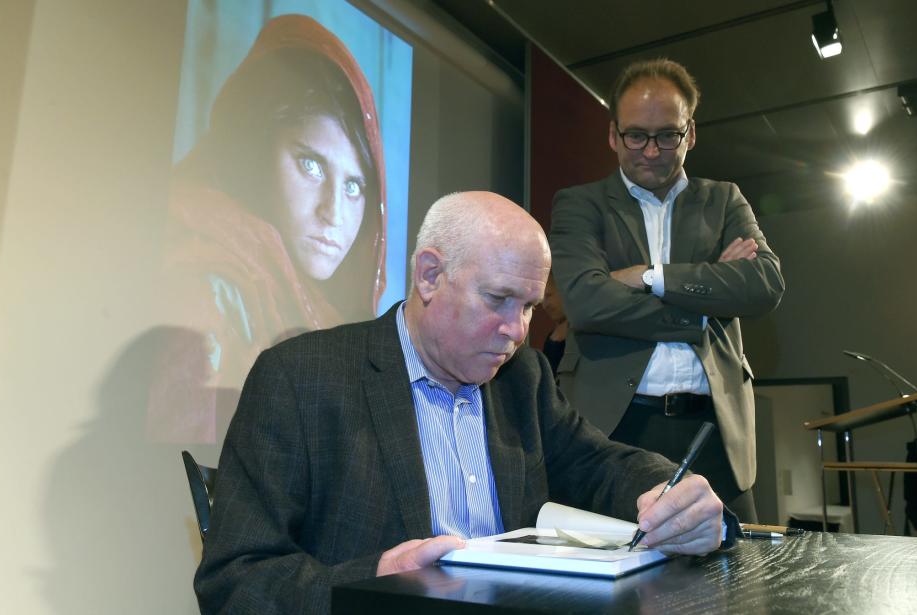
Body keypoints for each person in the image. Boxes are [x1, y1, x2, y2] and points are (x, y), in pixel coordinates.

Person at [194, 191, 730, 614]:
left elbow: (596, 461)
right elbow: (235, 580)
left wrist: (670, 492)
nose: (516, 331)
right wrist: (371, 583)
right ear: (430, 275)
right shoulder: (300, 378)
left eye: (528, 308)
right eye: (498, 300)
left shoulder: (521, 376)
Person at [549, 59, 785, 523]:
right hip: (613, 429)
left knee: (734, 583)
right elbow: (584, 302)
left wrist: (650, 276)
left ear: (690, 133)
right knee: (604, 590)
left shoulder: (725, 200)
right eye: (636, 135)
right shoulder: (579, 205)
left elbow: (764, 285)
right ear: (613, 135)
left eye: (667, 135)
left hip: (716, 434)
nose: (651, 151)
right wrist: (704, 304)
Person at [149, 15, 387, 442]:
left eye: (355, 186)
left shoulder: (327, 317)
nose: (334, 212)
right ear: (256, 149)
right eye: (310, 165)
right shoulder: (203, 283)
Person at [540, 273, 569, 377]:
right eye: (542, 299)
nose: (545, 305)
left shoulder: (581, 338)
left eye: (548, 295)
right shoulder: (551, 338)